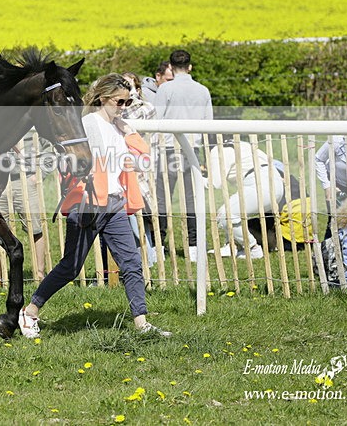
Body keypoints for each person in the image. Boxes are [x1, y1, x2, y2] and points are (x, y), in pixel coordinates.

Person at [18, 74, 170, 338]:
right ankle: (30, 310)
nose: (124, 106)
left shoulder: (120, 126)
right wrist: (80, 172)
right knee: (71, 267)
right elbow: (66, 160)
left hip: (114, 203)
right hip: (87, 204)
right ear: (103, 98)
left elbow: (144, 156)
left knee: (132, 263)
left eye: (128, 101)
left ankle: (142, 324)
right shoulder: (87, 123)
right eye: (119, 101)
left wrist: (129, 133)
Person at [152, 49, 213, 261]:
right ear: (190, 67)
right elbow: (208, 123)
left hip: (167, 149)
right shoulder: (203, 90)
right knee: (191, 199)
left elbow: (157, 119)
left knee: (162, 199)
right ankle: (195, 246)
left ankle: (159, 244)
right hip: (192, 150)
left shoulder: (166, 89)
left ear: (171, 67)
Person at [209, 138, 284, 260]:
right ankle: (231, 246)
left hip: (259, 184)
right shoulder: (243, 144)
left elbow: (215, 183)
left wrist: (196, 178)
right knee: (231, 210)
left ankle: (253, 249)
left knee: (226, 214)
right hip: (275, 184)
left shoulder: (217, 149)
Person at [0, 133, 47, 285]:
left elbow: (48, 148)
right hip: (0, 181)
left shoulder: (33, 123)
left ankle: (39, 274)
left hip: (26, 180)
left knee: (35, 227)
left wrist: (39, 175)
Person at [121, 72, 158, 267]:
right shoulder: (117, 108)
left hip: (139, 165)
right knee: (127, 216)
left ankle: (149, 257)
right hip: (121, 165)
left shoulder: (145, 107)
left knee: (142, 214)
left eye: (129, 85)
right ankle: (139, 256)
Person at [245, 159, 314, 253]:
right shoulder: (298, 186)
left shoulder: (275, 189)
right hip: (307, 239)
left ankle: (268, 246)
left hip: (288, 240)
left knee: (248, 226)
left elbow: (268, 219)